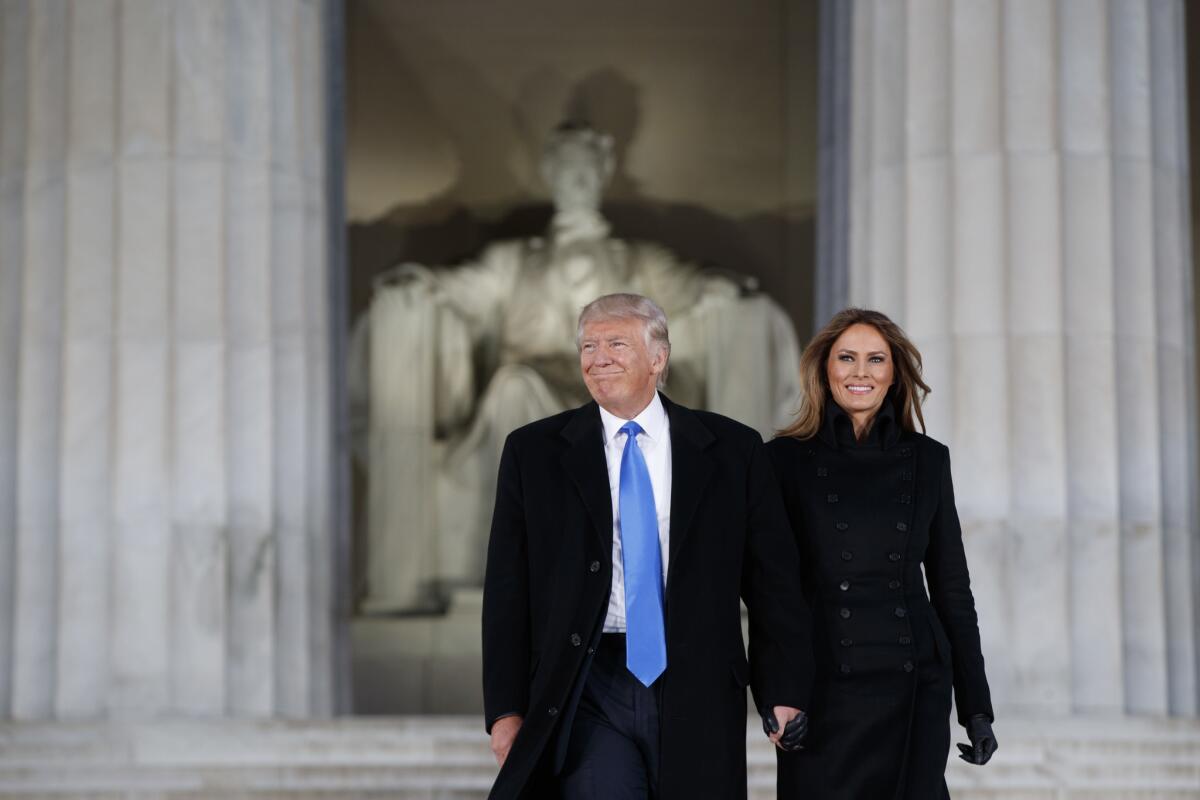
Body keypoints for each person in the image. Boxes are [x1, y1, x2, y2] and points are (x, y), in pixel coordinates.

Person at [347, 122, 802, 612]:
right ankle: (536, 561)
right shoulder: (513, 260)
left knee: (673, 365)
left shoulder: (640, 260)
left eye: (586, 167)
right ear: (550, 174)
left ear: (603, 173)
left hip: (626, 397)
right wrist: (418, 286)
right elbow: (458, 289)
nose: (577, 178)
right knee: (513, 387)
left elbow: (693, 287)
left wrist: (722, 289)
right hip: (534, 389)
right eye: (566, 167)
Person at [481, 293, 812, 800]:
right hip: (588, 681)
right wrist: (505, 710)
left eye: (616, 343)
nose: (598, 357)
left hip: (697, 679)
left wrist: (784, 689)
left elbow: (773, 582)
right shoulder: (533, 451)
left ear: (659, 358)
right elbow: (508, 588)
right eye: (588, 345)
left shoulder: (732, 449)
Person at [766, 308, 997, 799]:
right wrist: (777, 694)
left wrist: (975, 705)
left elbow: (952, 588)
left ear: (894, 375)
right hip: (824, 686)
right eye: (847, 358)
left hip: (912, 684)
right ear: (824, 369)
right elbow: (773, 590)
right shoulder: (782, 460)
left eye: (876, 360)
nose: (860, 372)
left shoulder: (928, 459)